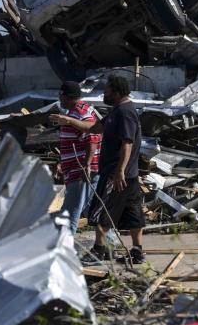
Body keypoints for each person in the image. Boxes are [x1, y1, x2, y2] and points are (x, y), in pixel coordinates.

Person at [50, 74, 144, 264]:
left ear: (116, 92)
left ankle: (99, 251)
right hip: (126, 174)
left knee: (100, 211)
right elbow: (95, 129)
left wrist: (119, 171)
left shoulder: (124, 112)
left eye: (107, 90)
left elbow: (127, 143)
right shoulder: (116, 111)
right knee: (132, 212)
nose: (104, 94)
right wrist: (68, 121)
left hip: (116, 173)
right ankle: (136, 251)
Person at [55, 81, 101, 234]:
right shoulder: (78, 110)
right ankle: (109, 244)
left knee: (68, 214)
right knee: (91, 210)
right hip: (79, 169)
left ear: (67, 96)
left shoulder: (80, 113)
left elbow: (92, 137)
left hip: (80, 171)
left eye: (60, 96)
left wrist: (86, 165)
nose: (59, 99)